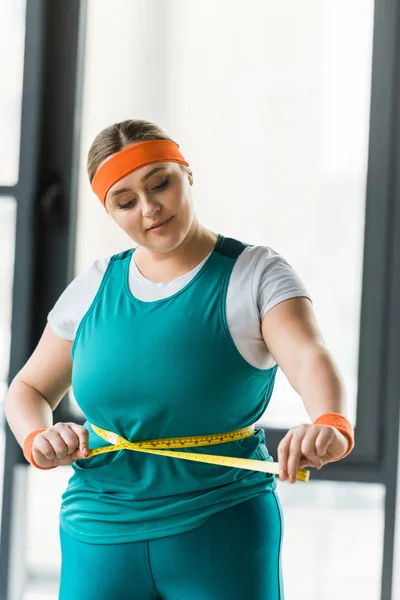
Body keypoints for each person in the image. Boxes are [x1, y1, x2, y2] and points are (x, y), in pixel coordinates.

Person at [4, 119, 354, 600]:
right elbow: (28, 389)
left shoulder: (254, 274)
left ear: (186, 174)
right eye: (125, 202)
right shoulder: (94, 286)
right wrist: (37, 435)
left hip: (222, 525)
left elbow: (307, 353)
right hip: (97, 527)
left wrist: (329, 420)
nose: (149, 209)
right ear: (110, 212)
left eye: (159, 183)